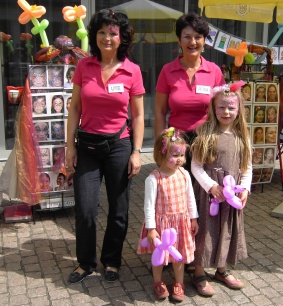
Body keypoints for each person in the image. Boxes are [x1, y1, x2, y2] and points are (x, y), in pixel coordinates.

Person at [66, 9, 144, 284]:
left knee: (119, 209)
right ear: (95, 35)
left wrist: (136, 151)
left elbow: (137, 115)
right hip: (87, 145)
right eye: (101, 32)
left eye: (113, 32)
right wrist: (69, 147)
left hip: (119, 146)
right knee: (86, 208)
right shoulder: (84, 66)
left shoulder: (132, 70)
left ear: (122, 37)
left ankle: (111, 260)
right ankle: (85, 262)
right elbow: (74, 107)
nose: (107, 37)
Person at [190, 81, 252, 297]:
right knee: (206, 233)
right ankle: (198, 273)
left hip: (232, 196)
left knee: (226, 231)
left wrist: (244, 187)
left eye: (231, 107)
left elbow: (247, 166)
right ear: (213, 109)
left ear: (238, 110)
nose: (226, 111)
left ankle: (221, 270)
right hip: (210, 195)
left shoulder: (242, 136)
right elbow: (196, 166)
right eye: (221, 107)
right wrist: (211, 186)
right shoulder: (205, 134)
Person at [154, 13, 225, 176]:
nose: (192, 42)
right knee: (178, 191)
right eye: (187, 37)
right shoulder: (167, 71)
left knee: (205, 193)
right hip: (177, 143)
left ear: (204, 40)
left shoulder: (214, 71)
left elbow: (222, 110)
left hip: (206, 141)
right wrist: (161, 146)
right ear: (179, 40)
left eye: (198, 37)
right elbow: (159, 112)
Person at [137, 127, 199, 302]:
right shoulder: (153, 178)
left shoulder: (185, 174)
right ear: (161, 154)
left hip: (181, 223)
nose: (180, 160)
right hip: (161, 226)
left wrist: (194, 218)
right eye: (175, 155)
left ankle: (179, 284)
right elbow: (148, 206)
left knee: (179, 256)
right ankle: (158, 281)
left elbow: (190, 199)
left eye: (182, 155)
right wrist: (151, 228)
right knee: (159, 256)